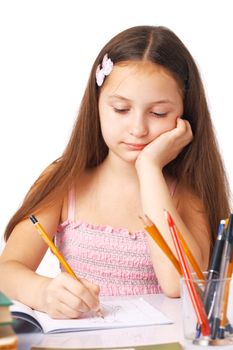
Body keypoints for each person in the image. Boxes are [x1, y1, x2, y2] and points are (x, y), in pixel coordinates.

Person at [0, 25, 230, 319]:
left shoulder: (186, 192)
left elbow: (179, 284)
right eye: (121, 109)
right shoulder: (65, 180)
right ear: (96, 106)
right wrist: (43, 293)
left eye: (158, 113)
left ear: (185, 113)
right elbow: (6, 271)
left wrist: (149, 168)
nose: (138, 129)